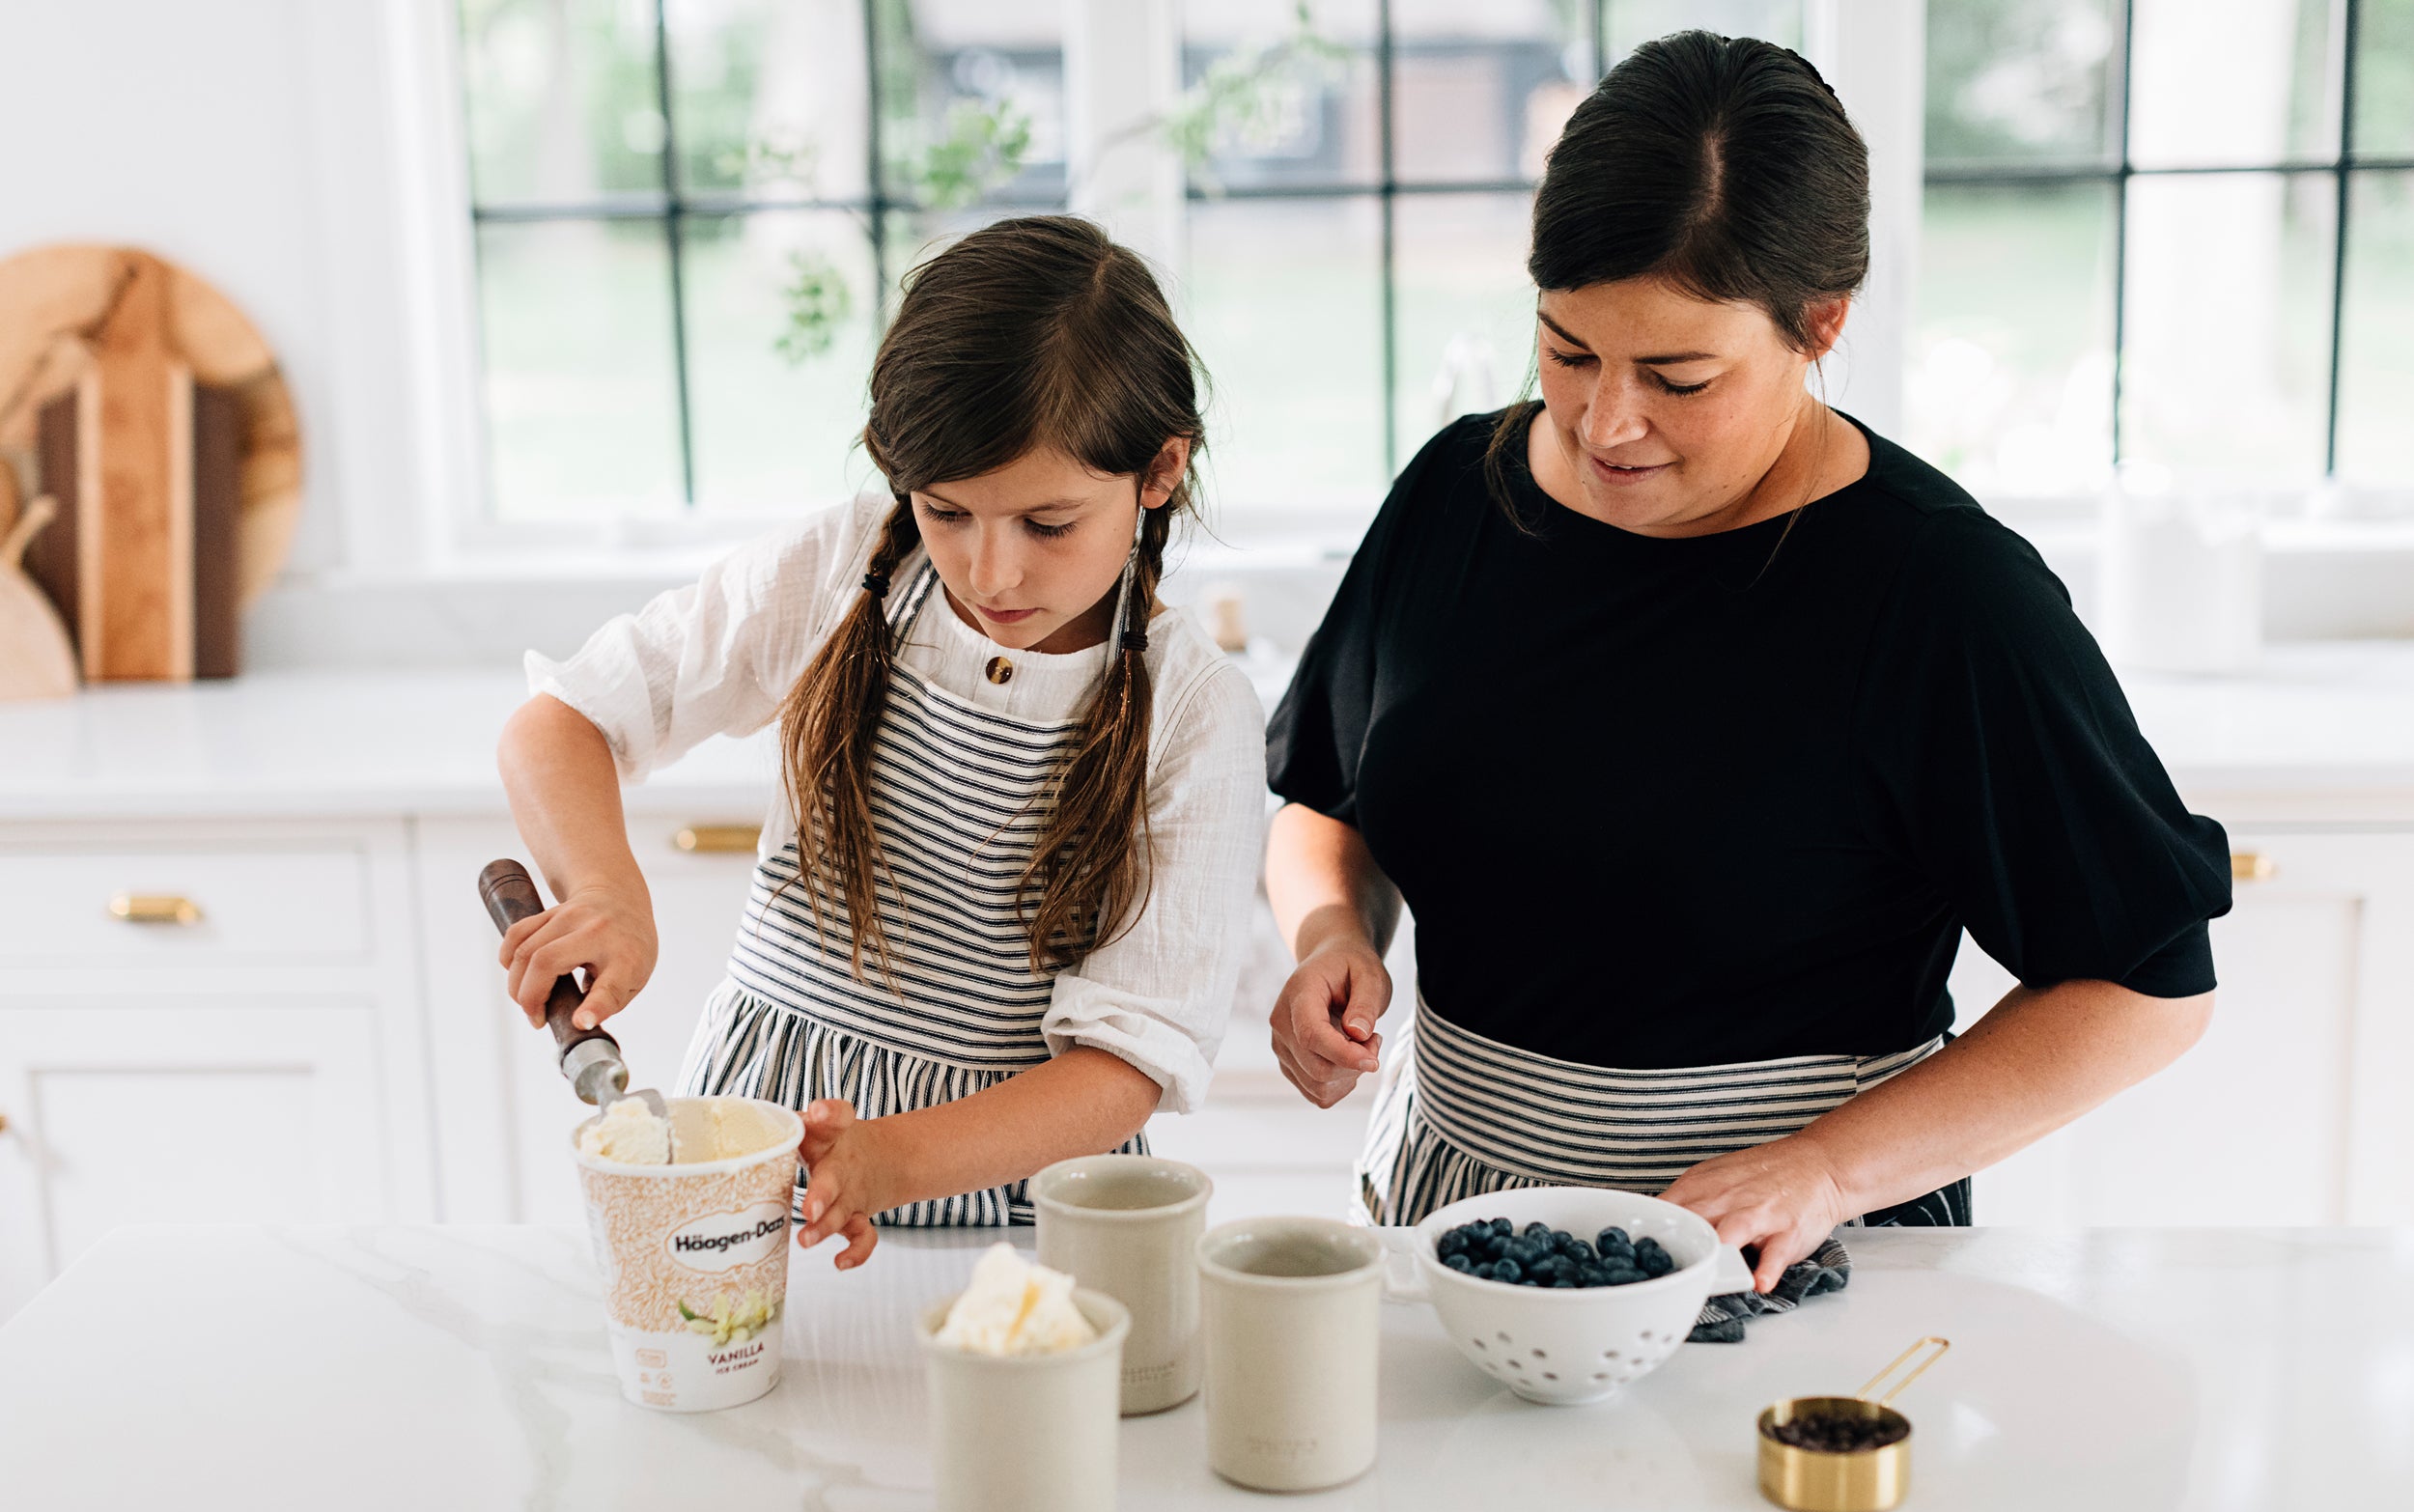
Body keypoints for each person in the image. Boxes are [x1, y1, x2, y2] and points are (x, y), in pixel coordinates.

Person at [1263, 33, 2232, 1299]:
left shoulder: (1940, 594)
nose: (1607, 421)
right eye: (1565, 350)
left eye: (1677, 375)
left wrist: (1826, 1167)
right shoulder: (1458, 492)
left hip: (1791, 1259)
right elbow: (1328, 802)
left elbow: (2146, 987)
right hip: (1453, 1223)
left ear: (1819, 322)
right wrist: (1331, 926)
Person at [496, 216, 1265, 1269]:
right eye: (947, 511)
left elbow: (1125, 1066)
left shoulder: (1194, 709)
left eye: (1047, 524)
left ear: (1160, 468)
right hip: (751, 1178)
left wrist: (891, 1159)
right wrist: (606, 888)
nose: (991, 574)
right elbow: (563, 720)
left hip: (1019, 1227)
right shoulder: (840, 568)